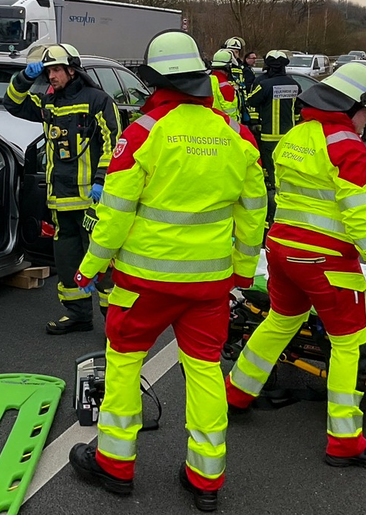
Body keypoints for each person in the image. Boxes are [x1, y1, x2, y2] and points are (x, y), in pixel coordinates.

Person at [67, 30, 267, 512]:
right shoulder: (236, 135)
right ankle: (206, 475)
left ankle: (115, 465)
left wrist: (89, 267)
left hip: (144, 283)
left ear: (155, 80)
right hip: (208, 285)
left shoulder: (143, 133)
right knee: (204, 373)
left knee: (123, 364)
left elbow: (114, 212)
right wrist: (241, 271)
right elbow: (254, 211)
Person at [226, 62, 366, 469]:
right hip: (325, 260)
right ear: (353, 105)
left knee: (281, 320)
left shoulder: (295, 136)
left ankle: (237, 392)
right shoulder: (349, 148)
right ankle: (345, 440)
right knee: (350, 341)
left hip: (282, 248)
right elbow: (356, 214)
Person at [3, 44, 121, 334]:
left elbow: (113, 142)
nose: (51, 76)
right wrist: (24, 78)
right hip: (61, 200)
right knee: (67, 261)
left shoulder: (98, 100)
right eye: (47, 71)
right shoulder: (48, 102)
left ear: (72, 70)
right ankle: (78, 314)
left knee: (102, 263)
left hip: (92, 200)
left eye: (55, 69)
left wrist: (101, 180)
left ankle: (117, 326)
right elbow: (12, 104)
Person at [247, 50, 301, 189]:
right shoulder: (295, 85)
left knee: (270, 166)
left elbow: (251, 101)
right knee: (286, 165)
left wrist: (254, 122)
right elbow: (298, 110)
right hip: (289, 137)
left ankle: (273, 189)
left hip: (268, 136)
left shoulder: (264, 84)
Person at [209, 49, 240, 121]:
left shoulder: (207, 81)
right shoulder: (226, 86)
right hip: (224, 127)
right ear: (228, 67)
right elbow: (231, 113)